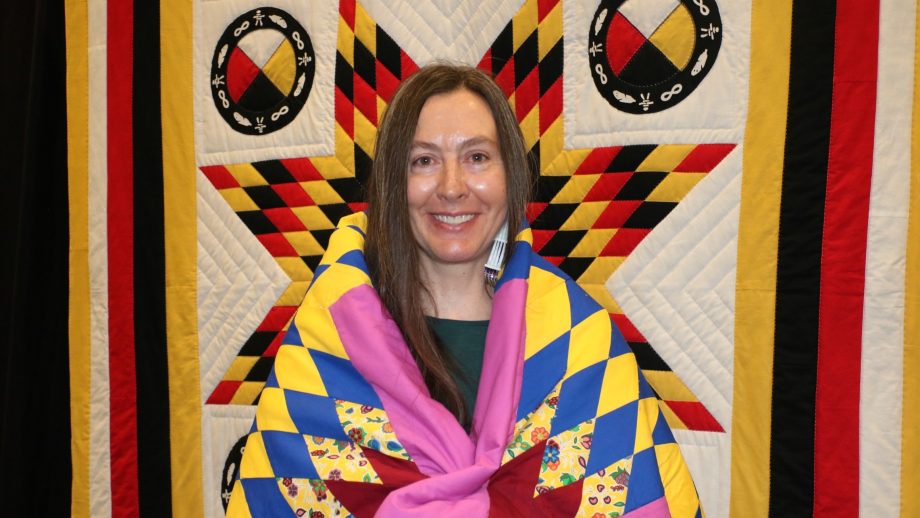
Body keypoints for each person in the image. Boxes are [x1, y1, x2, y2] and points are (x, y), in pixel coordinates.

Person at [227, 63, 701, 517]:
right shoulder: (325, 345)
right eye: (424, 160)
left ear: (509, 175)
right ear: (394, 182)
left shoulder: (581, 343)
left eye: (476, 157)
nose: (452, 187)